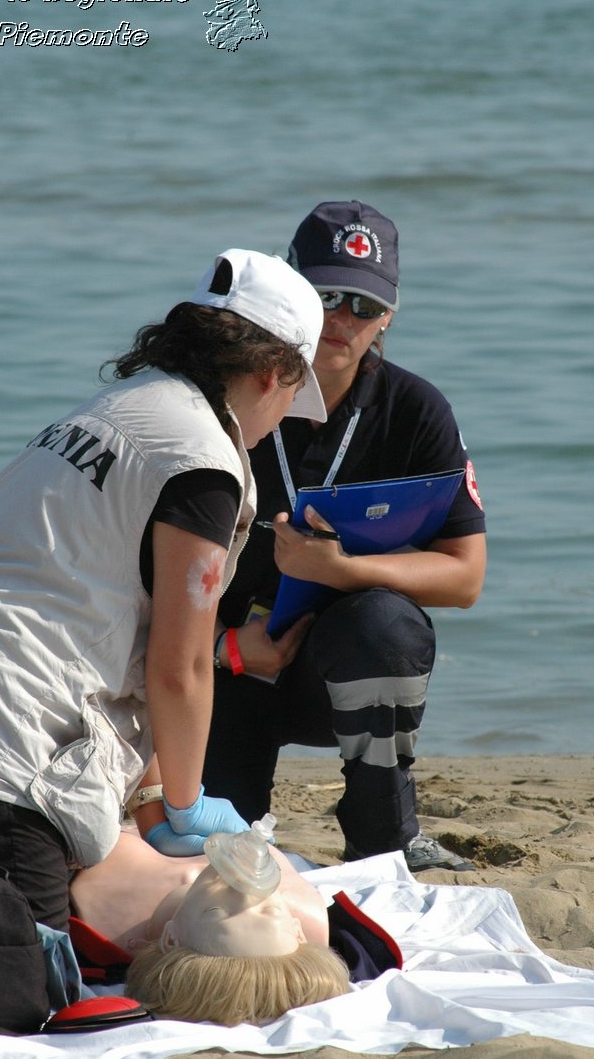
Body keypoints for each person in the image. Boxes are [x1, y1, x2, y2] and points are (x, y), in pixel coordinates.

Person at [0, 248, 327, 931]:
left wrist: (155, 793)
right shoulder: (205, 461)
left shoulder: (108, 410)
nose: (283, 418)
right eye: (290, 399)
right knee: (29, 974)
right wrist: (187, 805)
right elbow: (180, 665)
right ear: (272, 373)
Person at [202, 201, 487, 872]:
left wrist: (344, 571)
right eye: (324, 295)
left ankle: (382, 835)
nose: (341, 319)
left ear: (388, 315)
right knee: (224, 852)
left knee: (386, 624)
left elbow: (465, 577)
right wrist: (224, 648)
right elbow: (137, 579)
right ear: (289, 289)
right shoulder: (219, 400)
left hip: (340, 669)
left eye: (362, 305)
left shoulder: (416, 409)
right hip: (217, 662)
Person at [69, 823, 400, 1026]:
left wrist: (152, 801)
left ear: (171, 939)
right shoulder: (309, 916)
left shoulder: (100, 901)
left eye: (217, 911)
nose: (243, 891)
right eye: (268, 909)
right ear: (298, 931)